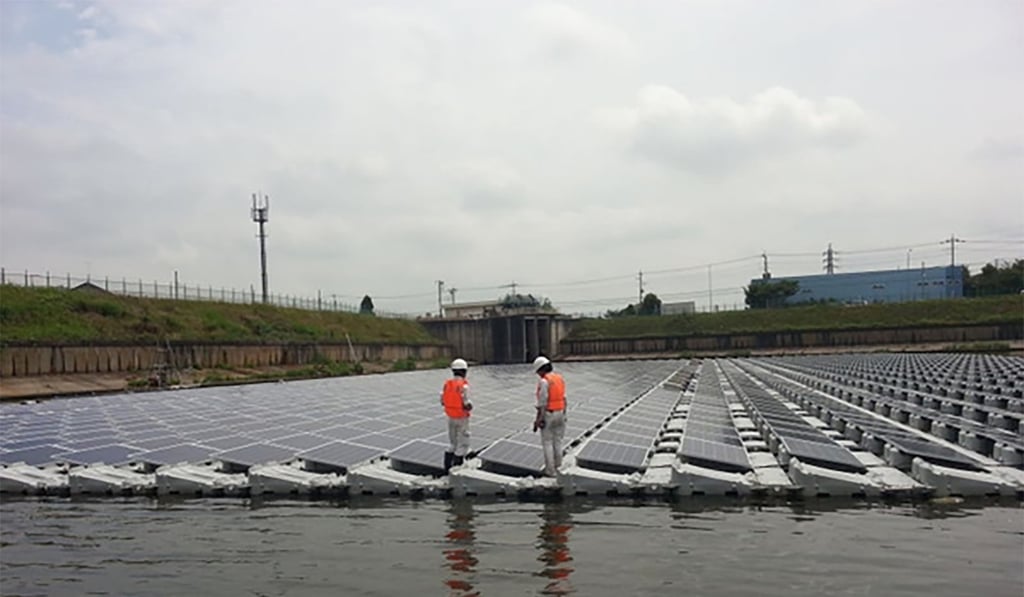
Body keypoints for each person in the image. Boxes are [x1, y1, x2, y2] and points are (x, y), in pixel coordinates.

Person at [532, 355, 566, 477]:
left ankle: (550, 471)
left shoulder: (544, 381)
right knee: (558, 441)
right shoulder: (559, 378)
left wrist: (538, 421)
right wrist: (564, 414)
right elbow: (564, 398)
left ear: (541, 369)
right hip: (561, 413)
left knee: (547, 443)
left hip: (549, 414)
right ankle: (559, 468)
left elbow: (542, 403)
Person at [441, 358, 473, 473]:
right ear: (464, 371)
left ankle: (446, 468)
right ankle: (456, 471)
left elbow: (442, 401)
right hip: (462, 418)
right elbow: (466, 404)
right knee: (463, 445)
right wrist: (469, 406)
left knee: (452, 444)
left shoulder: (447, 384)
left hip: (450, 418)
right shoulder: (463, 386)